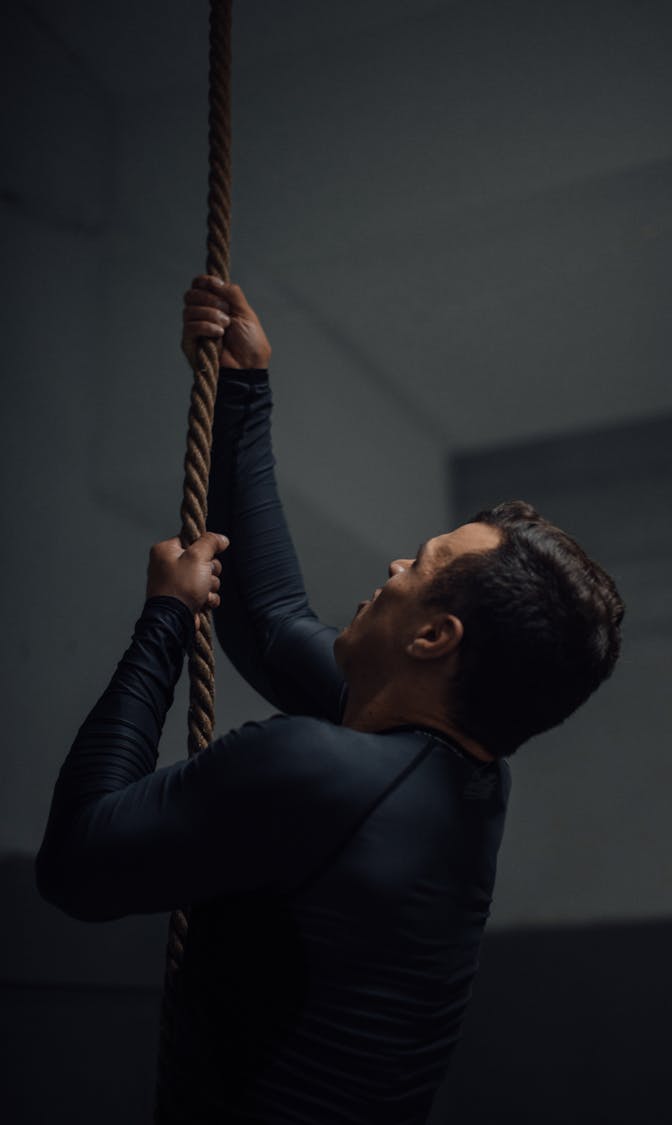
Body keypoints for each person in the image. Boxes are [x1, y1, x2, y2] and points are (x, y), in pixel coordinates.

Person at [35, 276, 624, 1123]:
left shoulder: (315, 770)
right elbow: (270, 622)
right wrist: (242, 389)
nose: (392, 566)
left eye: (416, 564)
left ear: (434, 638)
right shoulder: (464, 772)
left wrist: (165, 618)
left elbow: (75, 865)